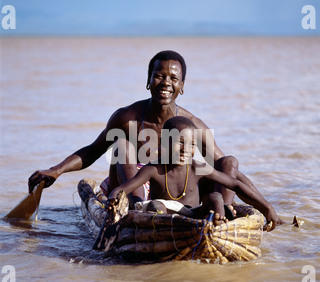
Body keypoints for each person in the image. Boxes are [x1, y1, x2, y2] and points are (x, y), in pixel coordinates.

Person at [28, 50, 284, 229]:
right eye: (159, 76)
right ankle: (137, 216)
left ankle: (222, 221)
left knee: (228, 160)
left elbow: (231, 173)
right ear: (148, 80)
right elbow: (94, 150)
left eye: (174, 78)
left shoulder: (191, 125)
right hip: (133, 189)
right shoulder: (127, 117)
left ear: (182, 86)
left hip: (179, 192)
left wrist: (266, 206)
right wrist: (56, 171)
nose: (166, 83)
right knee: (123, 146)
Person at [107, 116, 282, 229]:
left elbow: (234, 184)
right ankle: (163, 234)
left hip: (191, 215)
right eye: (179, 142)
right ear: (164, 144)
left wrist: (267, 208)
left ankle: (219, 226)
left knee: (216, 198)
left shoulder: (198, 167)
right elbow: (123, 189)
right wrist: (113, 198)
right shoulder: (154, 169)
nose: (186, 149)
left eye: (191, 145)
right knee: (155, 206)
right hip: (163, 216)